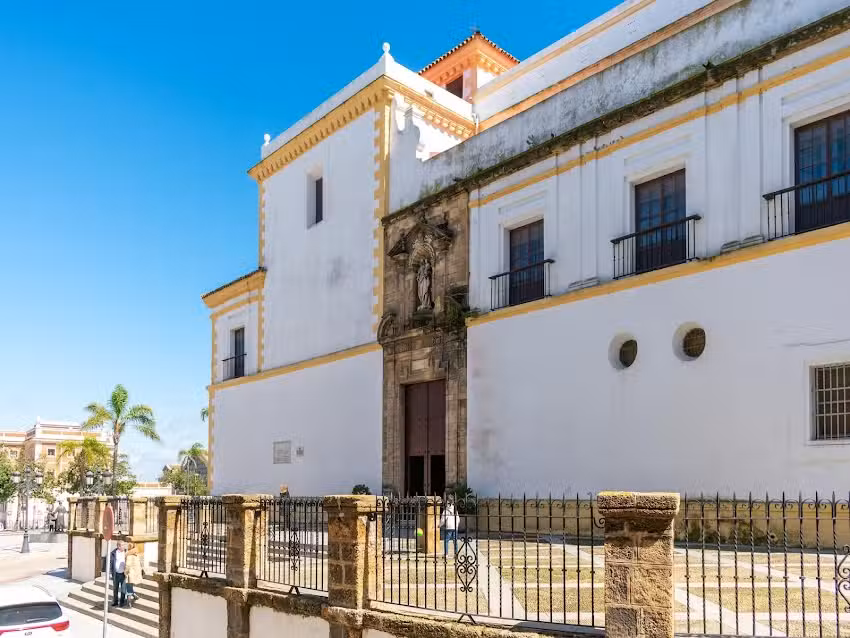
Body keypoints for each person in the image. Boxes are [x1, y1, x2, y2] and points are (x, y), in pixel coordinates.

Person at [124, 543, 143, 608]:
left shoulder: (129, 556)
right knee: (130, 586)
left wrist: (125, 573)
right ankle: (135, 596)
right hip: (136, 574)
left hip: (130, 574)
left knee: (128, 588)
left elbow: (127, 565)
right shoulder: (136, 555)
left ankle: (129, 603)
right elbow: (140, 564)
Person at [109, 541, 127, 607]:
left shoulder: (126, 553)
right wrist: (111, 572)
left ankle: (122, 602)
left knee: (123, 589)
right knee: (115, 589)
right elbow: (111, 563)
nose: (124, 546)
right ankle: (115, 601)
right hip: (116, 574)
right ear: (118, 546)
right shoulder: (113, 553)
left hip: (123, 574)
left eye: (124, 545)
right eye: (122, 545)